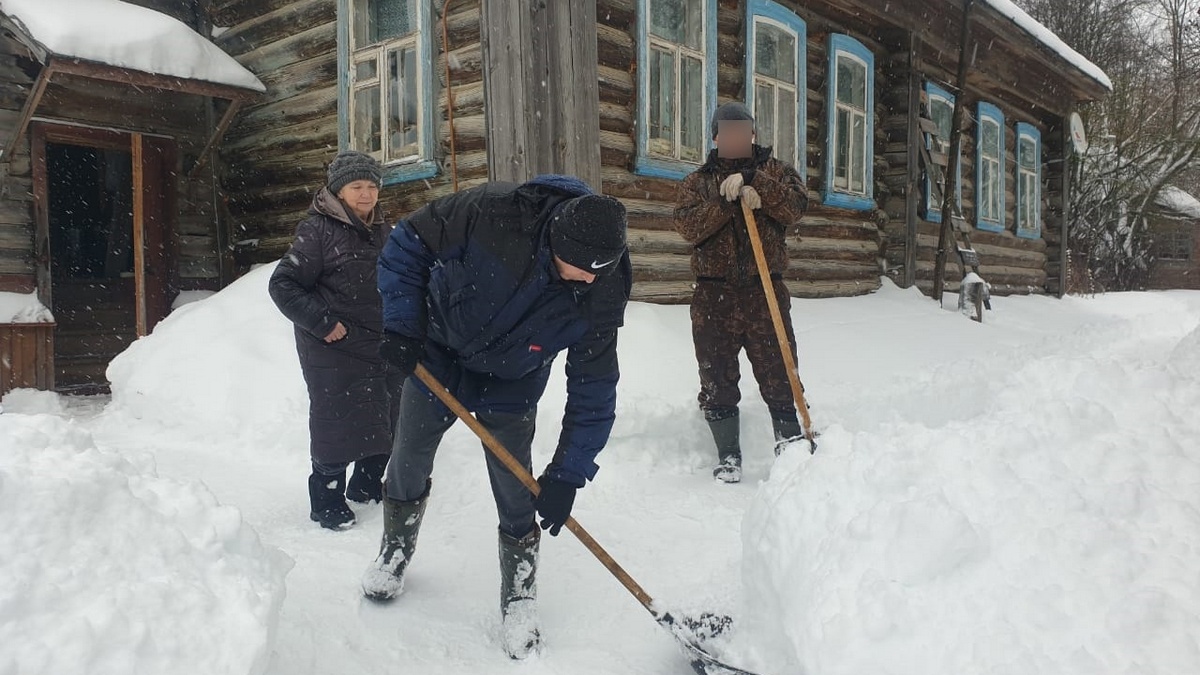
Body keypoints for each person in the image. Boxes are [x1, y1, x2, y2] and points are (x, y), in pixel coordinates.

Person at [361, 175, 631, 660]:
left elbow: (594, 386)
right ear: (555, 243)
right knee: (408, 457)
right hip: (438, 349)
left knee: (515, 483)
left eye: (602, 270)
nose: (592, 279)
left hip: (513, 376)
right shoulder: (493, 211)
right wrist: (403, 326)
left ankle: (520, 590)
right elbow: (408, 242)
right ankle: (394, 551)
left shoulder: (602, 286)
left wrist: (568, 475)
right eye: (583, 268)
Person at [674, 102, 809, 484]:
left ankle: (791, 445)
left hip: (764, 290)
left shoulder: (777, 172)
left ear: (752, 134)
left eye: (743, 129)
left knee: (780, 368)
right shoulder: (696, 182)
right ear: (716, 137)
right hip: (714, 296)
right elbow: (687, 227)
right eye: (727, 130)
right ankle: (728, 455)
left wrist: (759, 186)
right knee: (716, 375)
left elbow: (797, 207)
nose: (736, 136)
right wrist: (723, 202)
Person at [269, 151, 403, 530]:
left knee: (387, 414)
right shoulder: (318, 231)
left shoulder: (383, 230)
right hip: (333, 345)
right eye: (357, 186)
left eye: (372, 186)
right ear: (338, 190)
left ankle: (365, 486)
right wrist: (322, 322)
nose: (366, 194)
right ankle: (326, 500)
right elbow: (283, 284)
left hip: (379, 341)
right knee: (336, 420)